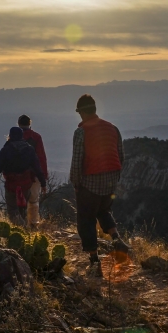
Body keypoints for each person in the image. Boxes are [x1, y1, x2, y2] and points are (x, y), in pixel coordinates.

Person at [69, 94, 130, 277]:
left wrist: (76, 183)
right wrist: (114, 177)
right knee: (103, 211)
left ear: (82, 112)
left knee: (86, 218)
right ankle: (117, 240)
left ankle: (94, 261)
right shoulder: (113, 128)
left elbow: (77, 160)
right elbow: (121, 155)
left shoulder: (81, 132)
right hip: (111, 180)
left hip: (91, 181)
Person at [0, 127, 47, 225]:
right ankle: (24, 228)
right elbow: (37, 167)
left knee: (12, 209)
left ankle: (21, 228)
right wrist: (43, 183)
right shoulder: (29, 149)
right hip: (26, 183)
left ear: (10, 136)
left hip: (11, 184)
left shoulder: (6, 149)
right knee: (23, 208)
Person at [17, 115, 48, 228]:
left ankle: (21, 223)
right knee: (33, 200)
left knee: (20, 199)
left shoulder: (14, 138)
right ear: (30, 123)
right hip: (34, 174)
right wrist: (43, 176)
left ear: (18, 124)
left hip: (18, 175)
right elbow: (41, 157)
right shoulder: (36, 137)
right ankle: (33, 223)